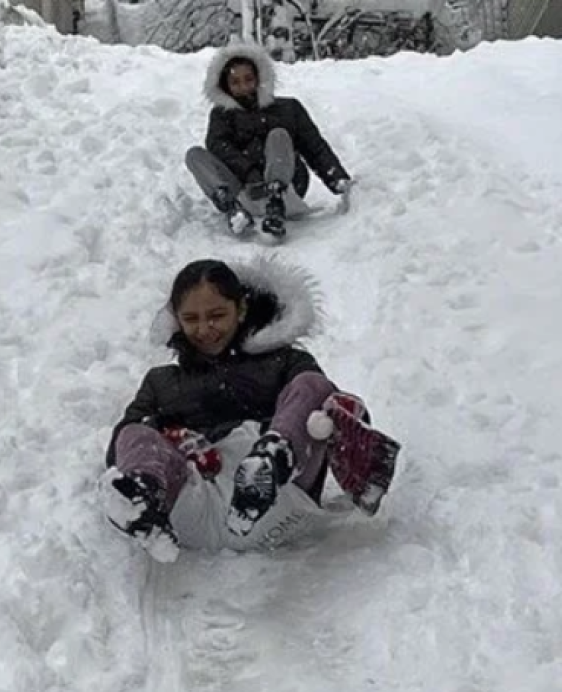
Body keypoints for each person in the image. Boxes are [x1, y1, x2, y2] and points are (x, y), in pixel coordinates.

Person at [101, 257, 396, 560]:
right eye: (191, 319)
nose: (205, 329)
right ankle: (145, 500)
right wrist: (170, 440)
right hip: (193, 504)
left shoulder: (283, 361)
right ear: (177, 319)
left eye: (217, 315)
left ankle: (273, 459)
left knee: (314, 386)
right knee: (133, 430)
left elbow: (331, 410)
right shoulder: (161, 382)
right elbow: (119, 449)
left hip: (282, 500)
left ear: (241, 309)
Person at [185, 43, 353, 240]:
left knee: (279, 135)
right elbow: (220, 149)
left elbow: (315, 147)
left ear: (259, 78)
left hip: (287, 185)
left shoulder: (288, 108)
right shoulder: (222, 116)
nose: (243, 87)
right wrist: (249, 174)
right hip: (244, 189)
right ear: (226, 86)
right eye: (235, 82)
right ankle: (233, 209)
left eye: (248, 79)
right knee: (194, 155)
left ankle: (275, 204)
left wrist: (338, 180)